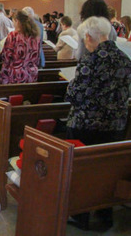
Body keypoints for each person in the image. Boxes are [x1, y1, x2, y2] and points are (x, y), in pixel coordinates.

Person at [65, 16, 131, 231]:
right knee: (107, 171)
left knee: (82, 170)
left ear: (87, 37)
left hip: (87, 124)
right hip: (115, 125)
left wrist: (70, 87)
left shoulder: (90, 61)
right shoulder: (124, 58)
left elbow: (75, 95)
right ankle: (105, 215)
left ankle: (80, 214)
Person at [0, 10, 40, 84]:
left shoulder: (13, 35)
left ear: (17, 21)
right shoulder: (35, 37)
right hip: (31, 73)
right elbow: (37, 57)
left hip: (16, 75)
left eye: (13, 21)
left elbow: (6, 57)